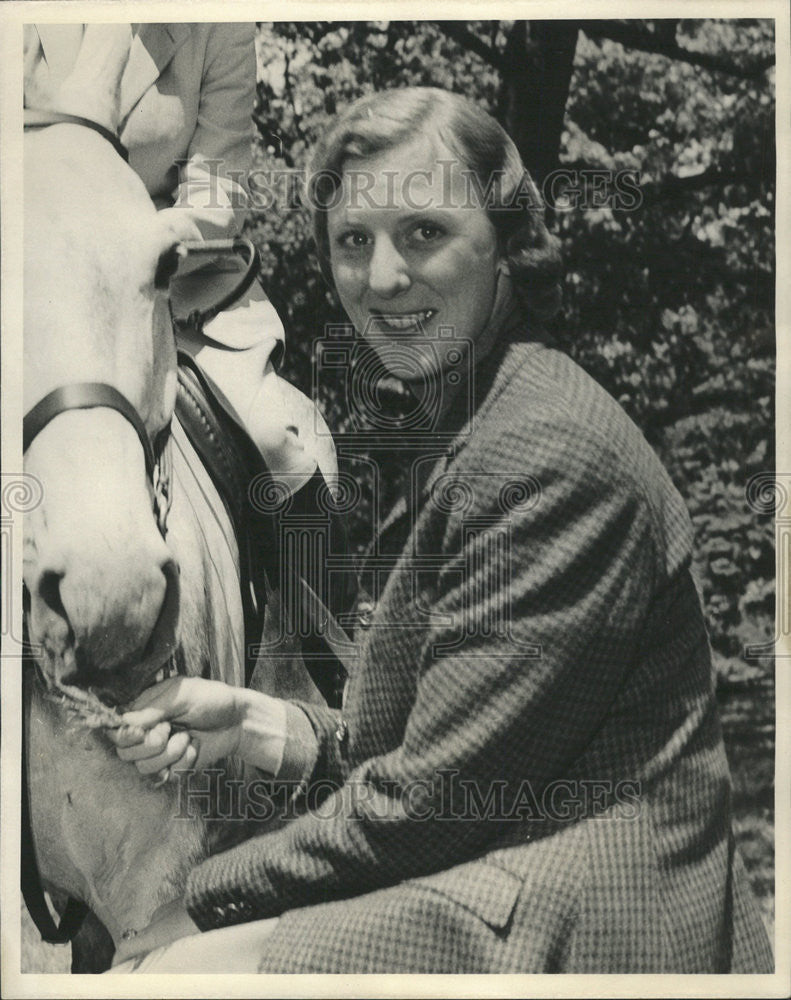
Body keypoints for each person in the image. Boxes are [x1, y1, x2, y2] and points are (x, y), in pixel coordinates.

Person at [107, 87, 773, 974]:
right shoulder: (462, 420)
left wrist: (193, 894)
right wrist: (257, 726)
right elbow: (430, 746)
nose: (381, 279)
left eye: (423, 233)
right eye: (353, 242)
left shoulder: (541, 452)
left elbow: (430, 805)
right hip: (489, 867)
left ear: (505, 247)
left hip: (589, 925)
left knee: (161, 974)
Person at [23, 22, 335, 493]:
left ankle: (313, 567)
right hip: (36, 282)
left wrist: (130, 255)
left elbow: (219, 194)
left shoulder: (219, 28)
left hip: (181, 287)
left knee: (280, 445)